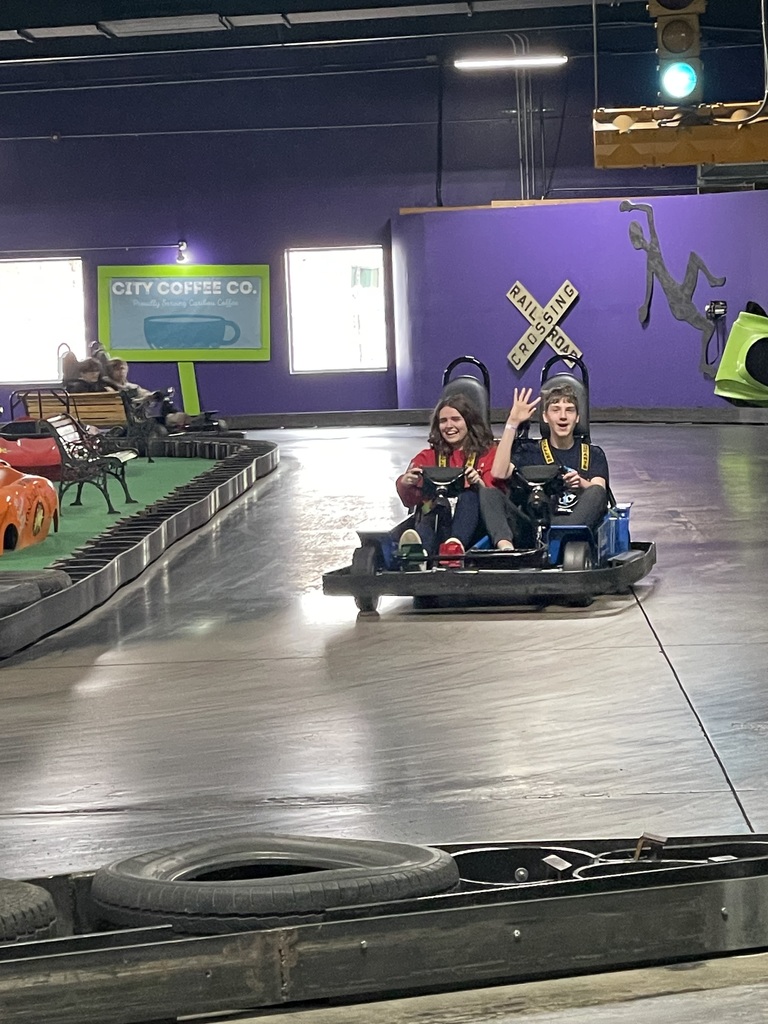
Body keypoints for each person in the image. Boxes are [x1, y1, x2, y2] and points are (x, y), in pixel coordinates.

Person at [480, 384, 608, 550]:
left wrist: (581, 483)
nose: (563, 416)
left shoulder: (593, 453)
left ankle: (559, 542)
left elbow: (599, 490)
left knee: (596, 491)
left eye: (569, 410)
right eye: (555, 410)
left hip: (574, 525)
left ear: (577, 418)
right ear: (545, 417)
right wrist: (512, 423)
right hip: (532, 526)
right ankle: (506, 548)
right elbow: (498, 472)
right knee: (488, 493)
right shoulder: (529, 451)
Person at [395, 393, 503, 561]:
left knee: (470, 496)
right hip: (438, 522)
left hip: (475, 525)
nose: (449, 426)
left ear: (469, 422)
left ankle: (454, 546)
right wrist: (406, 483)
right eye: (443, 421)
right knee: (435, 503)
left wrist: (479, 482)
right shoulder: (427, 457)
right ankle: (421, 554)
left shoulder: (489, 453)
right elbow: (410, 500)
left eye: (456, 419)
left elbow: (496, 497)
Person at [105, 358, 190, 429]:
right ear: (110, 371)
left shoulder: (133, 387)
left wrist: (151, 396)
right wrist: (143, 399)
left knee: (179, 417)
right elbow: (123, 402)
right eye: (116, 369)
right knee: (160, 427)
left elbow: (145, 394)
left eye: (122, 368)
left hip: (142, 418)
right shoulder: (108, 387)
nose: (121, 371)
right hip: (127, 421)